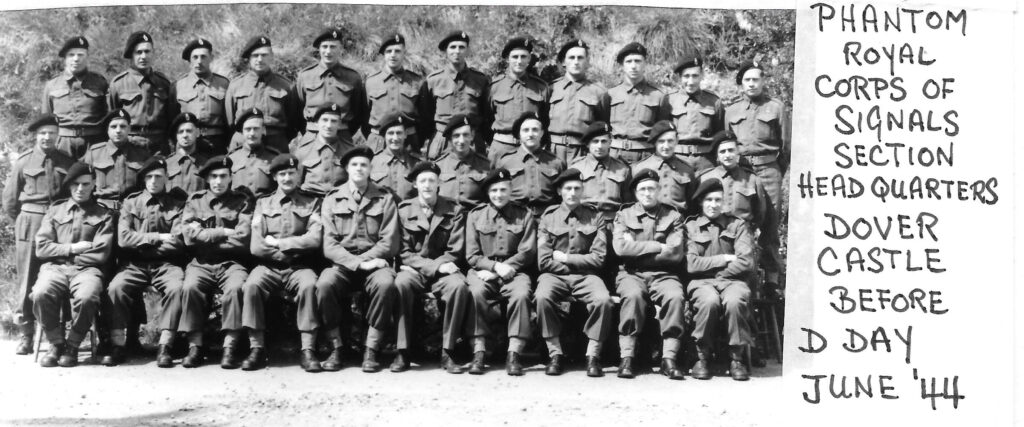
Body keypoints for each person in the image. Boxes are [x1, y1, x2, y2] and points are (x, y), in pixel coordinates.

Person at [315, 146, 400, 373]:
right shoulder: (332, 199)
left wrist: (368, 261)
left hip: (376, 265)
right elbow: (329, 244)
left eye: (364, 164)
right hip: (343, 265)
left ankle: (371, 349)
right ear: (346, 169)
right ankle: (336, 347)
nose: (359, 168)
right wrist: (359, 263)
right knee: (324, 285)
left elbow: (389, 242)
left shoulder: (385, 198)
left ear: (371, 168)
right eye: (354, 165)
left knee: (386, 284)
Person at [242, 154, 324, 372]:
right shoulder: (262, 203)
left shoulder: (312, 203)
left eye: (291, 173)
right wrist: (287, 250)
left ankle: (308, 350)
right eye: (282, 174)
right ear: (275, 177)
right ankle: (256, 348)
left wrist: (280, 243)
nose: (287, 178)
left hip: (299, 266)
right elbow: (256, 246)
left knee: (310, 286)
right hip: (268, 266)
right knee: (252, 286)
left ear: (298, 175)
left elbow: (315, 239)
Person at [102, 156, 187, 367]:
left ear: (167, 177)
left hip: (166, 265)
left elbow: (178, 242)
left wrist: (142, 244)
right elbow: (123, 239)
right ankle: (118, 345)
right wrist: (156, 238)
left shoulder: (176, 204)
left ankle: (165, 345)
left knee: (177, 288)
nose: (153, 181)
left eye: (158, 176)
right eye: (148, 177)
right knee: (116, 288)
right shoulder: (131, 203)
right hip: (134, 265)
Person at [2, 115, 76, 355]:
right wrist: (24, 224)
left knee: (59, 274)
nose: (47, 137)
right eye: (43, 133)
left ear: (58, 135)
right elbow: (10, 202)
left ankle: (59, 331)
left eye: (52, 133)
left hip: (59, 223)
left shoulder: (66, 160)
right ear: (36, 135)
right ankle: (26, 333)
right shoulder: (23, 161)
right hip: (31, 222)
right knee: (28, 278)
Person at [31, 162, 114, 367]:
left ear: (93, 184)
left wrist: (66, 256)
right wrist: (72, 249)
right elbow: (41, 247)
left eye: (86, 184)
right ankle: (56, 343)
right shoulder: (55, 210)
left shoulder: (104, 214)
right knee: (41, 293)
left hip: (87, 270)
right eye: (76, 184)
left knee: (87, 296)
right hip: (54, 268)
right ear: (69, 186)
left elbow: (101, 253)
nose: (81, 189)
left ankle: (73, 345)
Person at [394, 161, 472, 374]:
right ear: (415, 184)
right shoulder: (404, 210)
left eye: (431, 180)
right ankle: (403, 350)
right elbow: (403, 252)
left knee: (459, 287)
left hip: (445, 271)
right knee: (400, 284)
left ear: (439, 183)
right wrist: (433, 267)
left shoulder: (454, 210)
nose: (427, 185)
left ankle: (448, 350)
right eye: (422, 181)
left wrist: (439, 268)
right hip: (415, 271)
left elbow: (456, 250)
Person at [534, 169, 614, 377]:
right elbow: (544, 261)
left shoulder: (595, 217)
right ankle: (555, 354)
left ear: (583, 190)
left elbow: (598, 258)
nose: (572, 193)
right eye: (567, 188)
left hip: (587, 277)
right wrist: (574, 266)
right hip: (554, 276)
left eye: (577, 188)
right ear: (560, 191)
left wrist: (567, 259)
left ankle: (592, 355)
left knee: (603, 299)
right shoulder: (548, 218)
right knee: (542, 297)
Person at [179, 156, 254, 369]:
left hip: (232, 263)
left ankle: (229, 346)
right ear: (207, 179)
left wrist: (204, 236)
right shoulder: (195, 201)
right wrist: (222, 232)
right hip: (201, 262)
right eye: (213, 177)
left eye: (223, 176)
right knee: (190, 287)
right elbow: (188, 236)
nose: (218, 181)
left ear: (230, 177)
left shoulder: (242, 201)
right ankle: (195, 346)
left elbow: (243, 239)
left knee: (236, 289)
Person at [612, 169, 687, 380]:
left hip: (664, 275)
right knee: (633, 297)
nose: (647, 193)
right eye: (642, 189)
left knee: (675, 297)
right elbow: (621, 250)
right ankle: (627, 357)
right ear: (636, 193)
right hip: (631, 274)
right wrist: (657, 245)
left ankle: (669, 358)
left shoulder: (673, 216)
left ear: (659, 190)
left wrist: (636, 248)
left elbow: (675, 254)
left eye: (652, 188)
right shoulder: (624, 215)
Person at [464, 168, 536, 376]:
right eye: (494, 190)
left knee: (521, 294)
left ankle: (514, 353)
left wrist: (501, 270)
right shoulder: (475, 215)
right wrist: (494, 267)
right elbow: (472, 254)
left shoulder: (524, 214)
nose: (499, 194)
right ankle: (479, 351)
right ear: (488, 193)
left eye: (503, 189)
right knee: (475, 293)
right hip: (482, 270)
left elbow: (527, 252)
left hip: (515, 270)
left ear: (511, 189)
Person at [685, 178, 755, 381]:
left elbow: (745, 262)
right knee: (708, 302)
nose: (713, 205)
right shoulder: (691, 226)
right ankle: (701, 357)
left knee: (735, 301)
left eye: (718, 200)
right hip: (701, 283)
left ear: (724, 202)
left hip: (733, 281)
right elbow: (691, 264)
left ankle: (736, 358)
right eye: (708, 200)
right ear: (700, 202)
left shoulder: (737, 225)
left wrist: (718, 272)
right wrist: (723, 258)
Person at [701, 136, 780, 292]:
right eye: (723, 151)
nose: (727, 155)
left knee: (745, 283)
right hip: (713, 238)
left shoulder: (752, 180)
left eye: (731, 150)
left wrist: (748, 233)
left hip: (742, 239)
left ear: (738, 154)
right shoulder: (706, 178)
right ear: (717, 156)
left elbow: (760, 214)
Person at [725, 60, 790, 213]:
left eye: (755, 80)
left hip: (769, 170)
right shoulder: (732, 110)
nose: (751, 84)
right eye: (747, 80)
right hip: (742, 170)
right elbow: (726, 142)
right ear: (741, 83)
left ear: (763, 81)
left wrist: (775, 168)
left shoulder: (776, 107)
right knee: (741, 215)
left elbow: (786, 145)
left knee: (771, 219)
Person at [225, 36, 300, 153]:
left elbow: (293, 123)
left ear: (271, 57)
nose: (259, 59)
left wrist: (277, 137)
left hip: (275, 145)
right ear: (248, 58)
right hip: (243, 145)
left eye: (264, 55)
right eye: (255, 55)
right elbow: (229, 122)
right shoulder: (235, 86)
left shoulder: (286, 86)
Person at [422, 30, 489, 160]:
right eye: (453, 47)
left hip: (471, 141)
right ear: (446, 51)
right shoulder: (433, 80)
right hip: (443, 142)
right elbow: (426, 116)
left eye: (461, 47)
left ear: (468, 51)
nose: (457, 51)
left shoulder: (480, 80)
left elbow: (486, 114)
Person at [295, 28, 366, 144]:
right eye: (324, 47)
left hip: (342, 138)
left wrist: (343, 130)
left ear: (340, 49)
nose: (328, 51)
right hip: (312, 136)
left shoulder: (353, 77)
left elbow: (358, 113)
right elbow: (297, 112)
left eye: (333, 47)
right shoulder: (305, 76)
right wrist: (310, 130)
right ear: (319, 49)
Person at [41, 36, 108, 158]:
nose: (76, 59)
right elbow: (46, 120)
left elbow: (108, 115)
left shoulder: (100, 83)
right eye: (71, 55)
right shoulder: (52, 85)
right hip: (63, 144)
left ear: (87, 57)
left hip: (94, 142)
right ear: (65, 59)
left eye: (80, 54)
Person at [107, 31, 173, 154]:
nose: (143, 56)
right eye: (138, 52)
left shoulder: (163, 83)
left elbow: (171, 118)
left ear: (153, 54)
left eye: (147, 52)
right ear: (131, 55)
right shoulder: (118, 84)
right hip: (130, 144)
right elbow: (111, 119)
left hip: (159, 145)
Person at [486, 36, 549, 164]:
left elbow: (545, 120)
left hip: (530, 148)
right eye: (515, 57)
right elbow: (485, 118)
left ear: (529, 59)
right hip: (501, 148)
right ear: (507, 59)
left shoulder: (540, 87)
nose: (519, 61)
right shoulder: (495, 87)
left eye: (523, 56)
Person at [363, 33, 430, 153]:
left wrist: (416, 140)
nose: (393, 55)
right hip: (378, 143)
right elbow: (363, 118)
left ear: (404, 53)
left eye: (397, 51)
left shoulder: (417, 81)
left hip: (409, 142)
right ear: (383, 54)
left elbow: (425, 117)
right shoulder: (371, 82)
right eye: (389, 51)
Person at [492, 112, 566, 216]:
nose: (530, 134)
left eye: (535, 130)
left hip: (546, 216)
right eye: (526, 130)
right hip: (515, 217)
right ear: (519, 134)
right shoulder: (505, 162)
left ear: (542, 133)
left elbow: (562, 196)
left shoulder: (556, 162)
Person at [547, 39, 610, 164]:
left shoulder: (598, 91)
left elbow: (603, 125)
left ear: (587, 63)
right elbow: (542, 121)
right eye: (571, 57)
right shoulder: (551, 89)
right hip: (552, 150)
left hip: (583, 151)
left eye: (580, 58)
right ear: (564, 62)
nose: (576, 62)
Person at [607, 42, 670, 165]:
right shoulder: (611, 94)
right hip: (615, 154)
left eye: (638, 61)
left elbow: (662, 129)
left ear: (645, 64)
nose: (633, 66)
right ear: (622, 66)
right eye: (629, 62)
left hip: (645, 154)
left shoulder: (658, 96)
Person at [81, 109, 151, 211]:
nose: (118, 130)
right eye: (113, 127)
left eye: (123, 126)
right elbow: (84, 183)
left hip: (133, 209)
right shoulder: (94, 153)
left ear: (129, 129)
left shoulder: (141, 154)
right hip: (102, 209)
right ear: (107, 130)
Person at [172, 38, 231, 155]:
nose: (199, 61)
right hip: (188, 144)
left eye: (203, 57)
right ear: (189, 60)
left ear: (211, 58)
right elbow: (172, 119)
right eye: (195, 57)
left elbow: (230, 120)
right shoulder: (178, 86)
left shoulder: (224, 84)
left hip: (217, 144)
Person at [668, 55, 722, 173]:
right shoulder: (669, 101)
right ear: (679, 77)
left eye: (695, 76)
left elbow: (720, 133)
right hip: (677, 159)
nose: (691, 82)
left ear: (701, 76)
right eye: (686, 76)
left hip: (706, 162)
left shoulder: (714, 101)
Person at [568, 122, 631, 222]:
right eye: (595, 141)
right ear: (588, 143)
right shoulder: (576, 168)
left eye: (603, 141)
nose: (599, 146)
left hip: (613, 222)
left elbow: (628, 203)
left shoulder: (622, 169)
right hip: (585, 222)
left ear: (610, 142)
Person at [630, 120, 697, 212]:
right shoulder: (639, 168)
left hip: (678, 222)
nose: (666, 146)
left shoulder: (686, 170)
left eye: (670, 141)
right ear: (654, 142)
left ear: (677, 141)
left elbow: (692, 205)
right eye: (661, 141)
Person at [290, 103, 353, 196]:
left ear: (339, 124)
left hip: (338, 203)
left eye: (334, 121)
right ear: (316, 123)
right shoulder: (303, 151)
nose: (328, 125)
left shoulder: (349, 151)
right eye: (324, 120)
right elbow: (295, 185)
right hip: (310, 202)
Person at [434, 114, 490, 209]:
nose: (461, 140)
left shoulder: (485, 165)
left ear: (472, 136)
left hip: (475, 218)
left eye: (465, 135)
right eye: (456, 136)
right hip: (448, 219)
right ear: (450, 138)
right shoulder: (439, 165)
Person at [229, 108, 281, 198]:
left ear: (263, 130)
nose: (252, 133)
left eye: (256, 129)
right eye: (248, 129)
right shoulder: (231, 158)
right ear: (242, 132)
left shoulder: (275, 158)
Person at [370, 114, 421, 200]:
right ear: (384, 136)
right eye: (390, 133)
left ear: (405, 134)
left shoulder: (416, 163)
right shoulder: (373, 162)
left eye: (399, 133)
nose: (395, 138)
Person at [166, 112, 211, 195]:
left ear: (197, 133)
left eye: (189, 131)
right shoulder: (167, 164)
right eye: (181, 132)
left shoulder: (206, 164)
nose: (185, 135)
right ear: (176, 136)